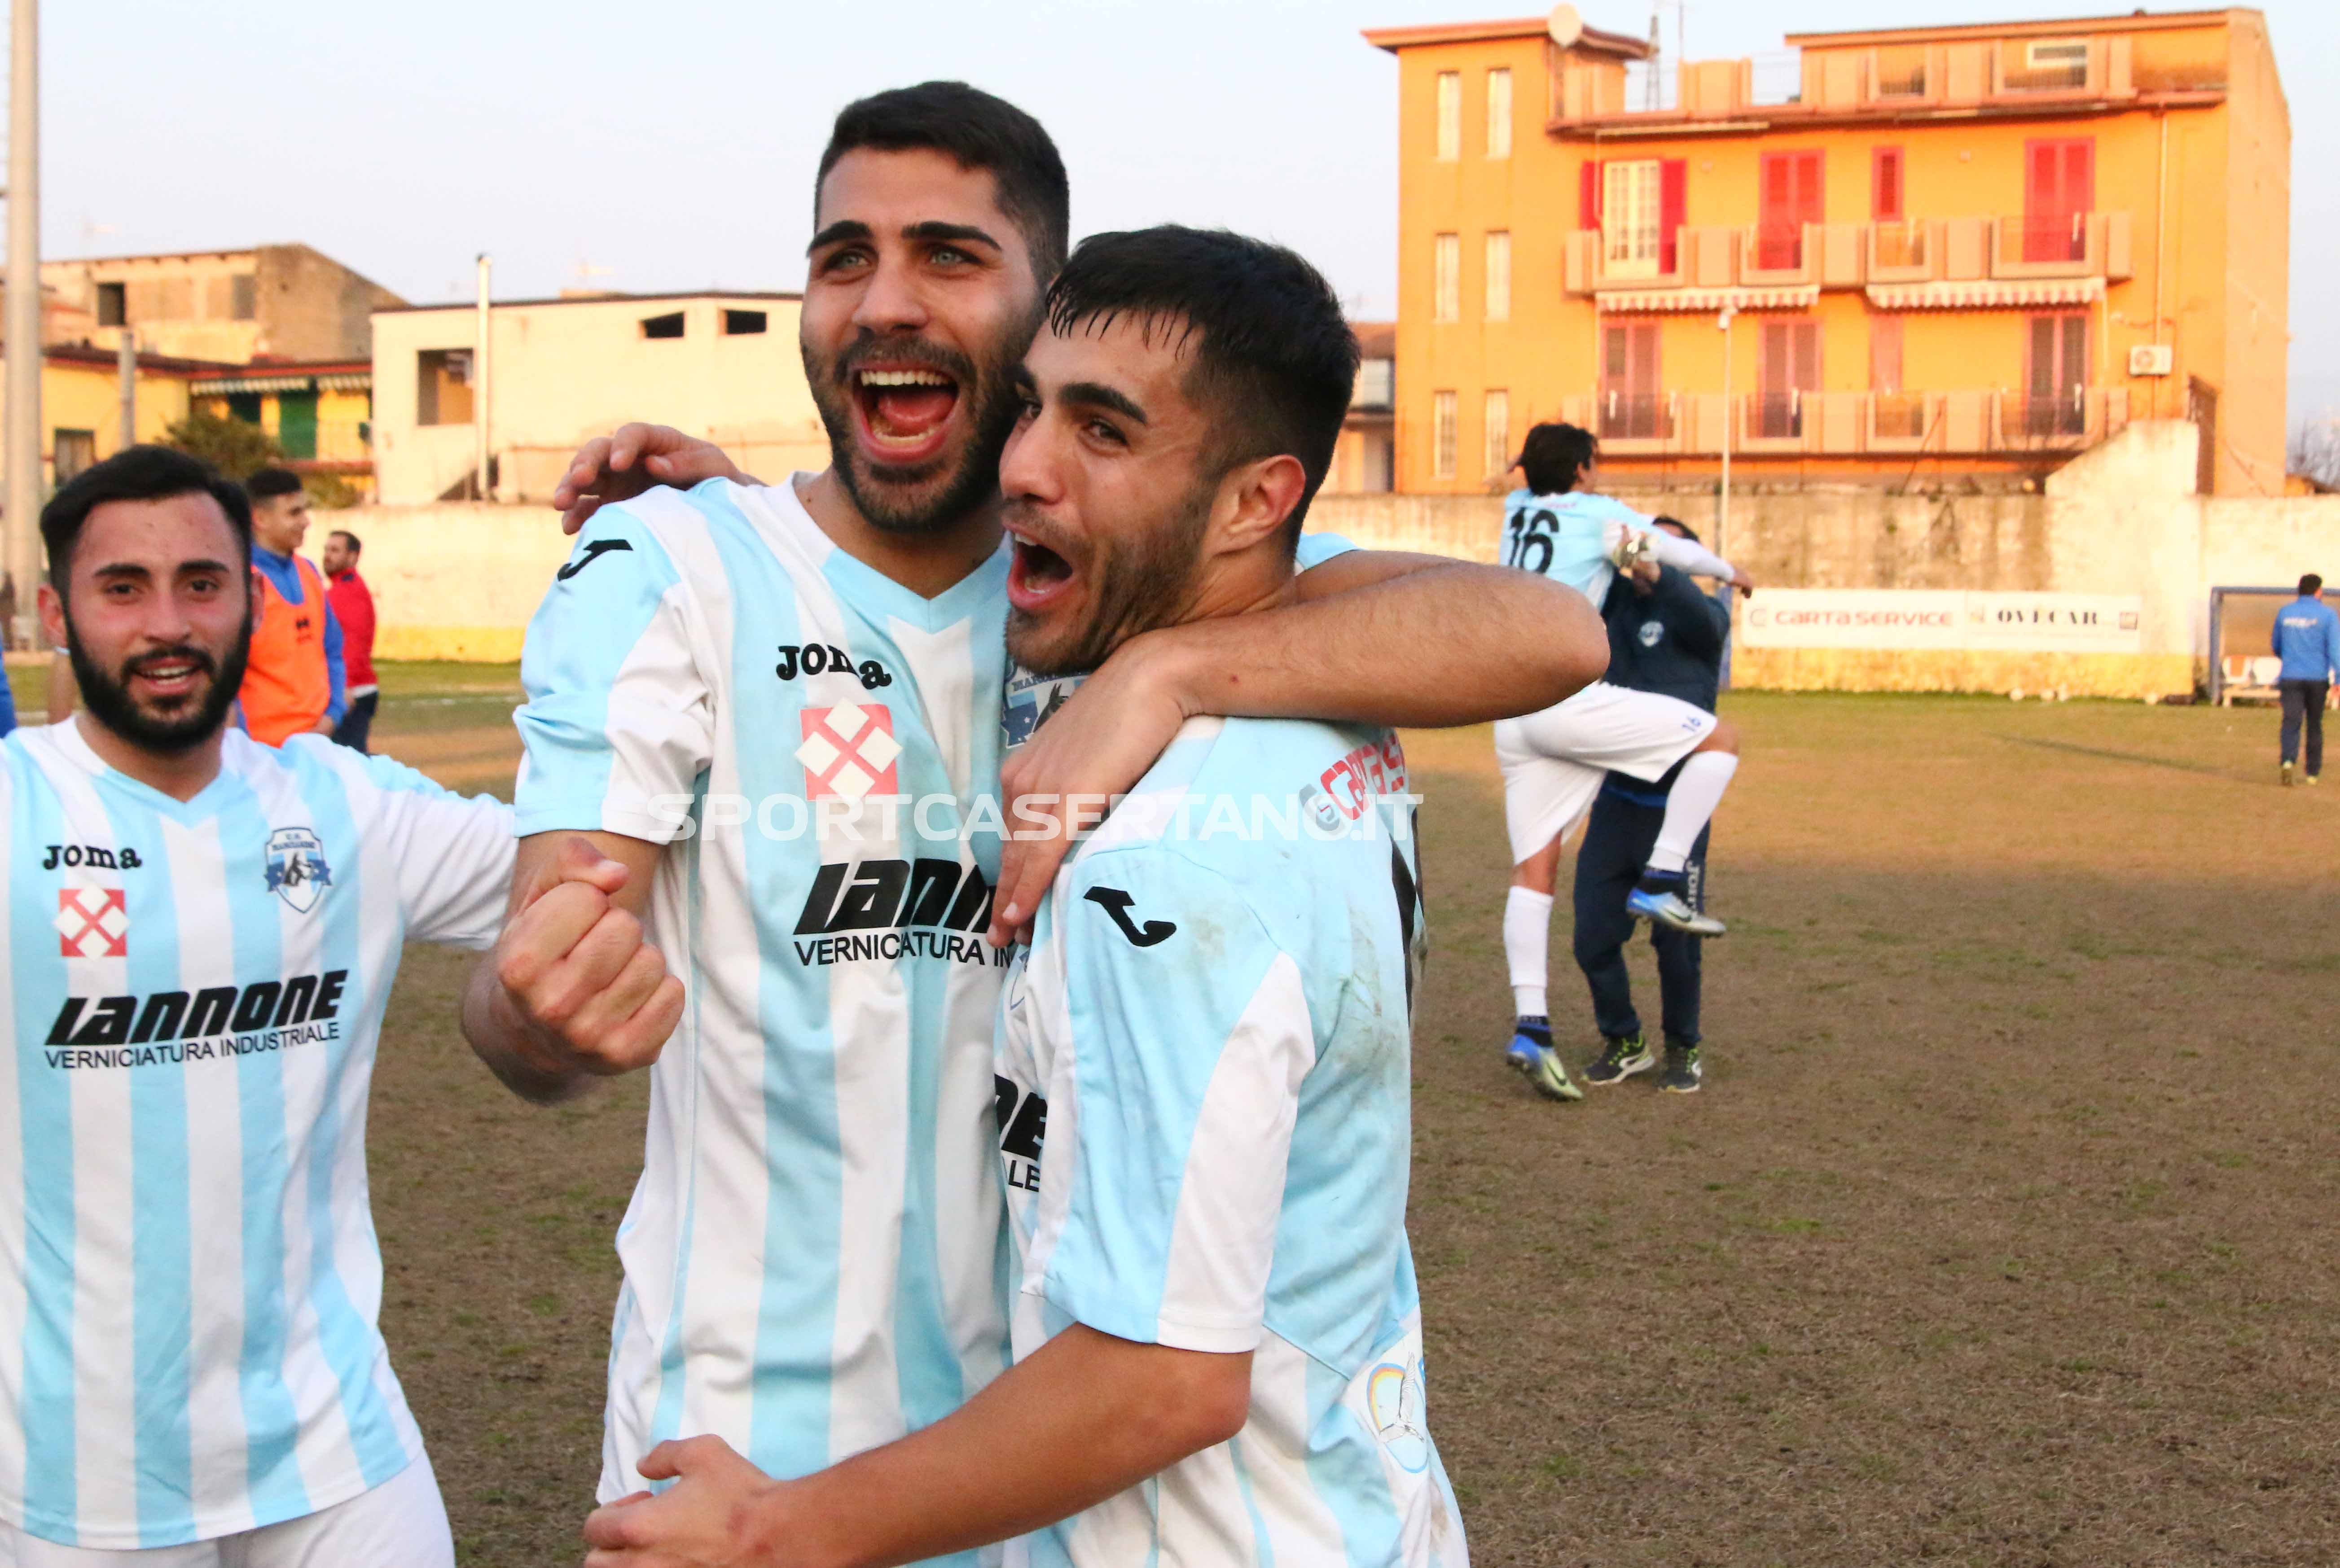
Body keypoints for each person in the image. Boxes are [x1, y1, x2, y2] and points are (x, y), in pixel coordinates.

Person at [461, 83, 1601, 1554]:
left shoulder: (1109, 584)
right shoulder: (669, 568)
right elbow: (537, 982)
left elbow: (1542, 632)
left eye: (947, 254)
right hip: (740, 1454)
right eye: (839, 258)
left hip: (1038, 1468)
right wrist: (532, 1010)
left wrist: (1175, 673)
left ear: (1041, 312)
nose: (884, 302)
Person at [0, 445, 517, 1567]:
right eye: (121, 588)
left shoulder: (344, 810)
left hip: (335, 1448)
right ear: (57, 613)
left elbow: (595, 860)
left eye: (201, 582)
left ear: (253, 592)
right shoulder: (10, 815)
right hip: (75, 1481)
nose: (167, 623)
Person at [1493, 421, 1754, 1102]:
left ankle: (1533, 1025)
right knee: (1720, 739)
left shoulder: (1516, 511)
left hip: (1511, 710)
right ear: (1583, 470)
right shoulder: (1603, 520)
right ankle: (1663, 876)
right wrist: (1729, 572)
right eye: (1593, 466)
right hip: (1564, 700)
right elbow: (1663, 547)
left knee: (1534, 870)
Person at [1573, 517, 1731, 1096]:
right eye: (1641, 543)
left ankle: (1683, 1047)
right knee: (1591, 936)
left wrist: (1664, 570)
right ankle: (1624, 1041)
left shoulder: (1704, 615)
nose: (1642, 555)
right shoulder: (1612, 604)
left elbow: (1694, 610)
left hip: (1676, 816)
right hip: (1615, 805)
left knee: (1676, 947)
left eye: (1657, 545)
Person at [236, 466, 347, 746]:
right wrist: (246, 747)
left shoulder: (308, 571)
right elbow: (224, 678)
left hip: (321, 743)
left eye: (304, 511)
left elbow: (332, 649)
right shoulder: (239, 582)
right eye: (294, 513)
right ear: (259, 518)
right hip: (264, 753)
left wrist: (333, 714)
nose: (306, 521)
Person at [2273, 572, 2337, 786]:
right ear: (2319, 591)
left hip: (2291, 676)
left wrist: (2290, 658)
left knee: (2291, 721)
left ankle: (2288, 761)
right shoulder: (2328, 616)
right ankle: (2312, 773)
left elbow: (2277, 645)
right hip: (2317, 678)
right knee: (2314, 724)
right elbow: (2335, 649)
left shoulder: (2285, 613)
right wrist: (2338, 677)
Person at [322, 528, 379, 752]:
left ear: (353, 557)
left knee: (347, 771)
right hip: (345, 691)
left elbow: (354, 643)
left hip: (351, 694)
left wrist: (345, 688)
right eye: (327, 550)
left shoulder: (350, 592)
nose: (328, 555)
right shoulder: (340, 589)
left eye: (335, 550)